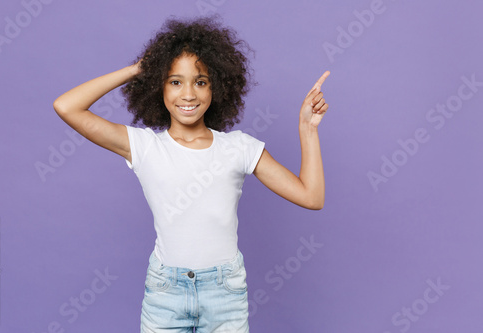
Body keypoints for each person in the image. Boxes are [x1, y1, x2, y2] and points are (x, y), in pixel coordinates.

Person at [53, 15, 329, 333]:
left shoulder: (239, 148)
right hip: (165, 294)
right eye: (174, 81)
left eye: (200, 81)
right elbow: (66, 106)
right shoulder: (144, 146)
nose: (188, 94)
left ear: (217, 87)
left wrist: (307, 127)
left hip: (225, 295)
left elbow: (312, 196)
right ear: (159, 85)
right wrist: (137, 69)